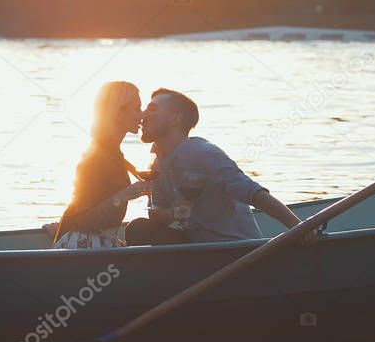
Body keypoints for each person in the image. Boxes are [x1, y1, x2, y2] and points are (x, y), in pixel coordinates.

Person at [125, 88, 306, 246]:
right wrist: (173, 213)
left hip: (235, 249)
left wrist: (301, 229)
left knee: (139, 230)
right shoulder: (157, 162)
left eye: (152, 109)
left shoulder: (202, 153)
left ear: (175, 119)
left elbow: (255, 195)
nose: (143, 115)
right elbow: (157, 215)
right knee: (138, 229)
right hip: (196, 247)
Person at [44, 81, 151, 249]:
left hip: (99, 241)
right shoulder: (98, 157)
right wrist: (123, 196)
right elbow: (84, 221)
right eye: (136, 109)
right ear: (118, 113)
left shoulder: (111, 152)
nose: (143, 115)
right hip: (87, 246)